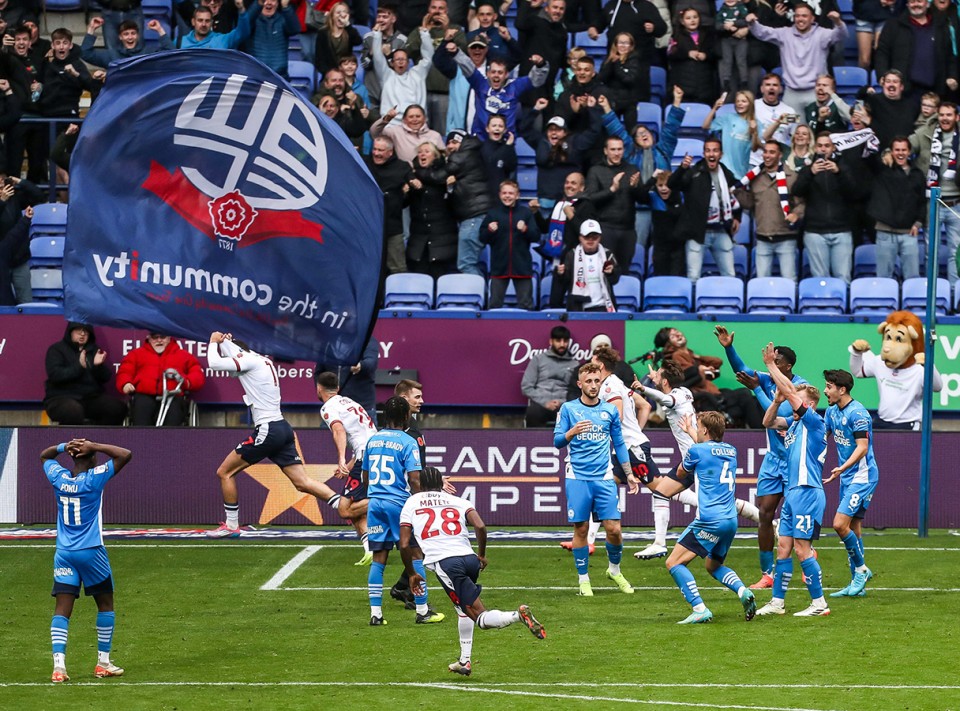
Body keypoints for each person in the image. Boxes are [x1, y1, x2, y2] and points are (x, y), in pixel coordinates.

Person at [399, 466, 545, 676]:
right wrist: (482, 555)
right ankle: (465, 661)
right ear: (442, 483)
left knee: (479, 616)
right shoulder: (458, 500)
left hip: (446, 563)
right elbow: (481, 526)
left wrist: (412, 573)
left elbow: (404, 544)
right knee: (462, 609)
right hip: (469, 559)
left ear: (420, 484)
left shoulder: (412, 501)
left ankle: (517, 616)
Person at [205, 332, 341, 537]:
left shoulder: (248, 360)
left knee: (225, 472)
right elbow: (233, 362)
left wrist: (214, 341)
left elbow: (214, 364)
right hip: (282, 427)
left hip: (268, 429)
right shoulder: (260, 359)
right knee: (302, 482)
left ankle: (232, 525)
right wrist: (226, 343)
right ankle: (344, 505)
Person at [714, 325, 806, 588]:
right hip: (773, 460)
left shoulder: (798, 389)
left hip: (794, 461)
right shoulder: (768, 380)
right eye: (771, 361)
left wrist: (757, 390)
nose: (771, 364)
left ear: (787, 367)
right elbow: (742, 372)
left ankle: (806, 557)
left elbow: (775, 420)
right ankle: (768, 574)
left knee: (794, 514)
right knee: (765, 514)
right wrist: (728, 347)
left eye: (776, 361)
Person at [42, 438, 133, 682]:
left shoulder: (59, 477)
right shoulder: (94, 479)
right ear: (92, 459)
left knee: (62, 609)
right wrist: (96, 445)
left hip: (64, 552)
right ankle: (103, 663)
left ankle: (59, 667)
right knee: (105, 604)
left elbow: (45, 456)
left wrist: (64, 446)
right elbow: (124, 453)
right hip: (91, 551)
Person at [756, 343, 830, 618]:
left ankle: (819, 603)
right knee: (784, 548)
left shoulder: (814, 422)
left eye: (794, 398)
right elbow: (767, 422)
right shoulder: (795, 424)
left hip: (808, 492)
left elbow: (790, 391)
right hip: (793, 492)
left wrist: (771, 366)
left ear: (808, 404)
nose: (790, 400)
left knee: (802, 549)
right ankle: (778, 603)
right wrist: (775, 401)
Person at [553, 361, 640, 597]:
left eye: (597, 381)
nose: (593, 385)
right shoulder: (569, 409)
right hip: (577, 477)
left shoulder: (610, 410)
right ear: (580, 384)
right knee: (581, 529)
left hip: (604, 477)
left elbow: (619, 444)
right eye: (589, 381)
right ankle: (583, 580)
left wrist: (629, 474)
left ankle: (614, 570)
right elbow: (557, 441)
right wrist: (571, 433)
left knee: (614, 529)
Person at [664, 412, 757, 624]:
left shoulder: (696, 450)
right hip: (730, 520)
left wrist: (689, 442)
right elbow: (708, 451)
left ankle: (699, 608)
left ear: (705, 430)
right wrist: (690, 432)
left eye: (698, 426)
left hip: (710, 520)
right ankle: (743, 591)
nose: (695, 429)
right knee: (713, 566)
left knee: (674, 562)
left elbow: (680, 473)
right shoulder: (731, 451)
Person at [364, 396, 444, 625]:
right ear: (407, 416)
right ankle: (422, 610)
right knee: (416, 553)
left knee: (379, 558)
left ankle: (376, 615)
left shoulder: (373, 440)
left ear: (384, 416)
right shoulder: (408, 441)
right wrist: (421, 501)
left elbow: (365, 476)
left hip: (375, 503)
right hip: (398, 503)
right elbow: (415, 479)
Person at [822, 369, 877, 599]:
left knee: (839, 524)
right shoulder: (831, 412)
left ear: (841, 389)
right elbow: (822, 438)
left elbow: (862, 447)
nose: (826, 391)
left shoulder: (858, 413)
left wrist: (842, 467)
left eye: (829, 386)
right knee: (853, 527)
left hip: (862, 477)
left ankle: (861, 571)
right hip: (846, 476)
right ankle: (858, 581)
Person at [317, 371, 375, 565]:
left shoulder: (328, 407)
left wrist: (341, 458)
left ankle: (393, 502)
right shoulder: (350, 402)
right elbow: (362, 434)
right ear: (338, 388)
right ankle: (370, 549)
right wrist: (350, 466)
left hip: (367, 457)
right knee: (356, 507)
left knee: (345, 509)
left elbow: (339, 430)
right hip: (371, 453)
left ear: (319, 388)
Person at [745, 3, 847, 112]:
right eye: (797, 16)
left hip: (815, 93)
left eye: (804, 16)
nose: (800, 19)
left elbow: (841, 35)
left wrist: (838, 22)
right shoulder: (784, 34)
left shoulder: (822, 34)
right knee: (790, 127)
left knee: (818, 128)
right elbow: (762, 33)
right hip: (791, 95)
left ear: (812, 18)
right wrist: (752, 23)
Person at [667, 137, 741, 283]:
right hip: (697, 233)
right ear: (704, 153)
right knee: (693, 277)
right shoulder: (694, 172)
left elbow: (736, 196)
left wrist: (737, 217)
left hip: (721, 231)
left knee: (730, 276)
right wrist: (682, 168)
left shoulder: (726, 173)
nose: (711, 154)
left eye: (715, 150)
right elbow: (672, 184)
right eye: (708, 151)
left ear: (721, 154)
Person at [791, 132, 858, 283]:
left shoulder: (844, 168)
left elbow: (854, 193)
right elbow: (797, 191)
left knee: (843, 278)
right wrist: (811, 173)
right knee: (820, 279)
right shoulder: (807, 170)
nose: (823, 149)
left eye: (827, 146)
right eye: (820, 146)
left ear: (833, 148)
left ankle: (843, 307)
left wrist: (839, 173)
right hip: (815, 231)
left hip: (842, 230)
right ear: (815, 148)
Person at [733, 140, 803, 280]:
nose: (767, 155)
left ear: (780, 155)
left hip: (786, 238)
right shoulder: (755, 177)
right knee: (761, 282)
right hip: (763, 238)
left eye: (772, 152)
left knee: (789, 280)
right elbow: (750, 203)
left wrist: (796, 214)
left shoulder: (792, 177)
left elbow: (801, 203)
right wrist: (735, 191)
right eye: (765, 152)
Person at [44, 323, 127, 427]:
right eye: (78, 331)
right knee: (73, 411)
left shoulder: (93, 350)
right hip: (61, 397)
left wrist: (98, 366)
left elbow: (106, 377)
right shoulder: (56, 350)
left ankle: (100, 438)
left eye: (86, 331)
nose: (82, 334)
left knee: (117, 408)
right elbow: (56, 375)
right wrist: (79, 367)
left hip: (89, 398)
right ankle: (73, 441)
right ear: (70, 332)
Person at [115, 332, 206, 426]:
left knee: (174, 412)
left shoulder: (183, 355)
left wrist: (187, 382)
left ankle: (169, 439)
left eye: (162, 337)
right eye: (155, 337)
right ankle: (141, 438)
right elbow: (124, 371)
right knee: (141, 409)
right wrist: (125, 383)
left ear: (169, 338)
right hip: (144, 395)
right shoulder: (136, 354)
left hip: (172, 395)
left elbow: (197, 374)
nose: (159, 340)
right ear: (149, 338)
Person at [874, 0, 958, 100]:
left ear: (927, 4)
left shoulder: (941, 25)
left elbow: (950, 54)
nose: (916, 5)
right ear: (907, 4)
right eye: (912, 2)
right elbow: (882, 53)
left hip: (935, 92)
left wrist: (953, 75)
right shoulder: (893, 25)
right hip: (905, 92)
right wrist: (882, 74)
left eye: (919, 1)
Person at [867, 136, 925, 280]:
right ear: (891, 152)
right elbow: (870, 157)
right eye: (897, 150)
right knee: (883, 278)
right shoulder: (882, 169)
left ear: (909, 151)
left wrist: (918, 223)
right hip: (885, 232)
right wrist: (882, 156)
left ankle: (912, 304)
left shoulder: (917, 174)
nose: (900, 153)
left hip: (909, 233)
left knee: (912, 278)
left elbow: (922, 201)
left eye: (904, 150)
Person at [481, 179, 540, 309]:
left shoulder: (526, 213)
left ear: (517, 195)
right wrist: (489, 230)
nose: (507, 196)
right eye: (504, 193)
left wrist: (525, 229)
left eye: (511, 193)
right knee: (494, 305)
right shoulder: (493, 213)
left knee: (526, 305)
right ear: (500, 195)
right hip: (499, 266)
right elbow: (482, 238)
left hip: (522, 266)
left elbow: (536, 236)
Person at [406, 141, 459, 278]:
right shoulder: (411, 177)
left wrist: (451, 189)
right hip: (419, 240)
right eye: (420, 152)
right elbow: (402, 204)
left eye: (426, 151)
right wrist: (406, 191)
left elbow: (456, 205)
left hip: (442, 240)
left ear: (435, 156)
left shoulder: (445, 176)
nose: (422, 154)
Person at [445, 129, 492, 277]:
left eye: (455, 142)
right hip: (471, 217)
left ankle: (483, 296)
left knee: (466, 264)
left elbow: (437, 175)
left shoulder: (465, 158)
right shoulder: (473, 157)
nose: (451, 146)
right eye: (449, 143)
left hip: (473, 218)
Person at [365, 136, 412, 274]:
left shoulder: (402, 167)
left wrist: (407, 192)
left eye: (381, 150)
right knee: (369, 268)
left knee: (398, 269)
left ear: (390, 152)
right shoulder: (364, 163)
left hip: (392, 227)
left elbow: (409, 198)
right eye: (374, 149)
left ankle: (399, 296)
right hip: (368, 227)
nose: (376, 153)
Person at [370, 24, 434, 120]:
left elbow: (428, 58)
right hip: (393, 124)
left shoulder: (417, 74)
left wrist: (424, 35)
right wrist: (376, 35)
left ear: (408, 62)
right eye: (397, 59)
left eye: (403, 59)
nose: (400, 62)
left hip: (416, 122)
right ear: (391, 63)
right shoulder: (386, 75)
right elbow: (378, 58)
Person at [555, 219, 621, 312]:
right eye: (587, 236)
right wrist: (561, 274)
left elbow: (615, 279)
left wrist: (611, 272)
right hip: (578, 307)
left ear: (600, 237)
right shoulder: (572, 255)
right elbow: (565, 282)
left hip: (603, 306)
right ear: (580, 237)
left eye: (594, 237)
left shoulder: (607, 254)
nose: (590, 240)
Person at [521, 325, 578, 427]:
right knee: (533, 413)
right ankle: (533, 442)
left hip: (563, 405)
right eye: (558, 341)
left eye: (565, 341)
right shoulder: (538, 360)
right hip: (540, 403)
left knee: (574, 417)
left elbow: (577, 392)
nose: (562, 344)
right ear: (551, 342)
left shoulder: (575, 364)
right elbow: (526, 387)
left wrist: (562, 402)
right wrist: (545, 402)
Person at [314, 337, 379, 426]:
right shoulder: (328, 342)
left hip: (361, 409)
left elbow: (371, 362)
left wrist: (361, 366)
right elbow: (319, 372)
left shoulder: (367, 341)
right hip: (333, 408)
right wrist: (321, 392)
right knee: (324, 439)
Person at [703, 89, 760, 180]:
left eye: (743, 101)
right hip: (724, 169)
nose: (739, 104)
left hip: (741, 171)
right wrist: (714, 109)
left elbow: (754, 148)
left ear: (750, 103)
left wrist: (754, 132)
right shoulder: (727, 118)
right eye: (737, 101)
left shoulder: (756, 123)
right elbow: (705, 126)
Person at [362, 2, 408, 111]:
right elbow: (364, 65)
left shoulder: (402, 40)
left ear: (393, 19)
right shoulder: (368, 38)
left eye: (385, 17)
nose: (381, 20)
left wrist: (389, 55)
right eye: (379, 17)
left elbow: (401, 69)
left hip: (393, 93)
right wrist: (371, 53)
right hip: (372, 91)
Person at [667, 7, 718, 105]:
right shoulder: (676, 36)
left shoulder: (708, 35)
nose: (692, 20)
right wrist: (687, 54)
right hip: (683, 86)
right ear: (682, 21)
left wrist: (706, 55)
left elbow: (716, 53)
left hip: (705, 86)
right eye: (688, 18)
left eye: (695, 17)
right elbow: (671, 53)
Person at [598, 32, 644, 130]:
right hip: (612, 101)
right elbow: (602, 78)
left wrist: (617, 65)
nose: (623, 46)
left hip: (629, 102)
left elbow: (629, 79)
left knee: (631, 131)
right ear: (615, 44)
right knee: (611, 130)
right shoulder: (609, 59)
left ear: (631, 45)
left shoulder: (634, 60)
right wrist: (611, 63)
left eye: (626, 43)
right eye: (620, 43)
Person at [81, 17, 172, 67]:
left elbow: (171, 53)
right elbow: (85, 53)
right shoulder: (111, 55)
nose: (130, 37)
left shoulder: (148, 53)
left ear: (138, 36)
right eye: (126, 34)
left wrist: (160, 30)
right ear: (120, 37)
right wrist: (91, 28)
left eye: (133, 33)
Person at [247, 0, 300, 78]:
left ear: (277, 3)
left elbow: (295, 29)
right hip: (256, 76)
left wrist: (285, 7)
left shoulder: (283, 20)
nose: (268, 3)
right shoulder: (253, 20)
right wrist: (258, 5)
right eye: (264, 0)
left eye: (272, 0)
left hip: (280, 76)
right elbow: (244, 24)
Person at [180, 0, 258, 49]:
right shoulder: (180, 42)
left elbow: (242, 32)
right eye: (200, 20)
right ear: (193, 22)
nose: (203, 24)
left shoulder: (222, 40)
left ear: (211, 22)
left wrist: (241, 9)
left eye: (207, 21)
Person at [313, 1, 362, 74]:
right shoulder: (323, 33)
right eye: (338, 12)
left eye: (344, 12)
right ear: (332, 16)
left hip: (346, 74)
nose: (342, 15)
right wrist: (329, 73)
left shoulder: (349, 31)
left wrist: (347, 25)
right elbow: (319, 59)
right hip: (329, 75)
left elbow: (358, 41)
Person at [716, 0, 749, 93]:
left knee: (741, 60)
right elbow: (717, 25)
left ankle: (744, 83)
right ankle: (726, 83)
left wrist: (735, 24)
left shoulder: (741, 7)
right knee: (727, 61)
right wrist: (725, 27)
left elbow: (746, 21)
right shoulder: (722, 9)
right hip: (726, 39)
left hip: (740, 40)